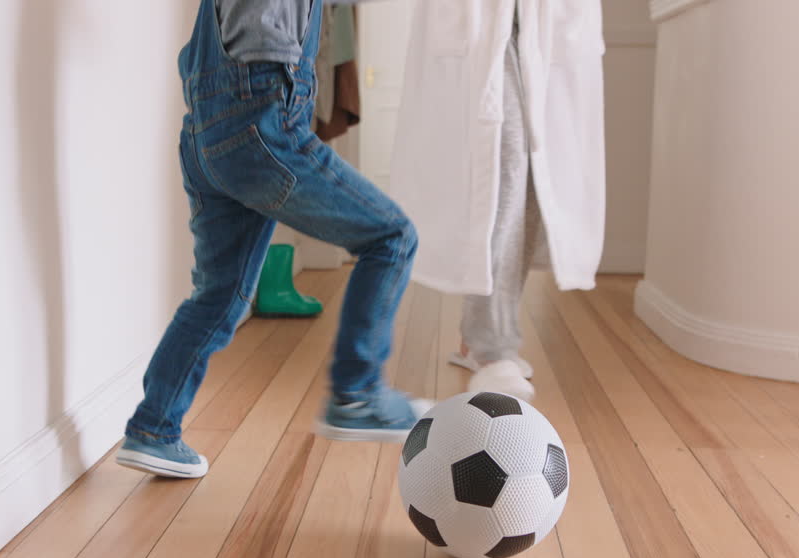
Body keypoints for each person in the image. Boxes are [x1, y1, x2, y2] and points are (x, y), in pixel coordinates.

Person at [116, 0, 426, 479]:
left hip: (206, 132)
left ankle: (154, 428)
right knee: (391, 236)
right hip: (262, 118)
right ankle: (358, 392)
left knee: (218, 294)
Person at [390, 0, 607, 402]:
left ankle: (481, 338)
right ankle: (493, 346)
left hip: (551, 18)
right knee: (504, 168)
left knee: (535, 182)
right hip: (481, 17)